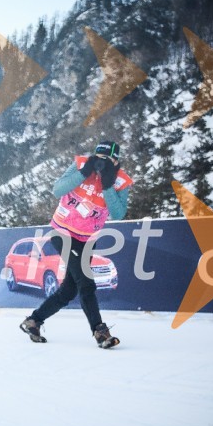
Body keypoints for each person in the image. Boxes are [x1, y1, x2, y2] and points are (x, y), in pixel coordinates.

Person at [20, 141, 133, 348]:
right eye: (98, 158)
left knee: (69, 291)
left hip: (87, 239)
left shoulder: (120, 181)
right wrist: (85, 171)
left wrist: (107, 185)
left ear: (116, 161)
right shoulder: (82, 165)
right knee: (86, 283)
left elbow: (118, 213)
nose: (101, 164)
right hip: (63, 231)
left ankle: (33, 321)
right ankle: (100, 332)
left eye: (107, 160)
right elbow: (57, 190)